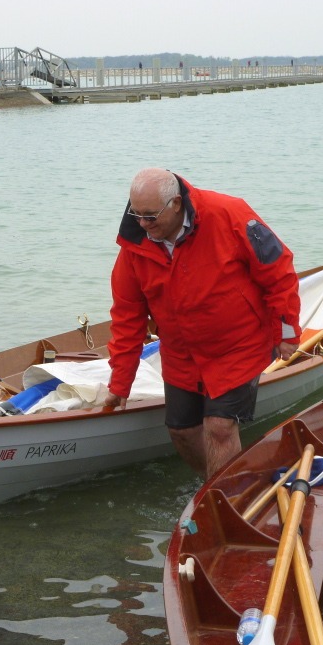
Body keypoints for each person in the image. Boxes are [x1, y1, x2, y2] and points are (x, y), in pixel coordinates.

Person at [104, 168, 301, 478]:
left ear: (177, 203)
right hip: (181, 352)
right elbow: (127, 317)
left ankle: (223, 503)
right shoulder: (134, 244)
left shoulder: (230, 213)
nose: (142, 224)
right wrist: (120, 383)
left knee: (219, 426)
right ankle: (212, 487)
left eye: (151, 216)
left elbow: (278, 273)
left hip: (238, 343)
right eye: (136, 214)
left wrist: (286, 333)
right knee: (182, 432)